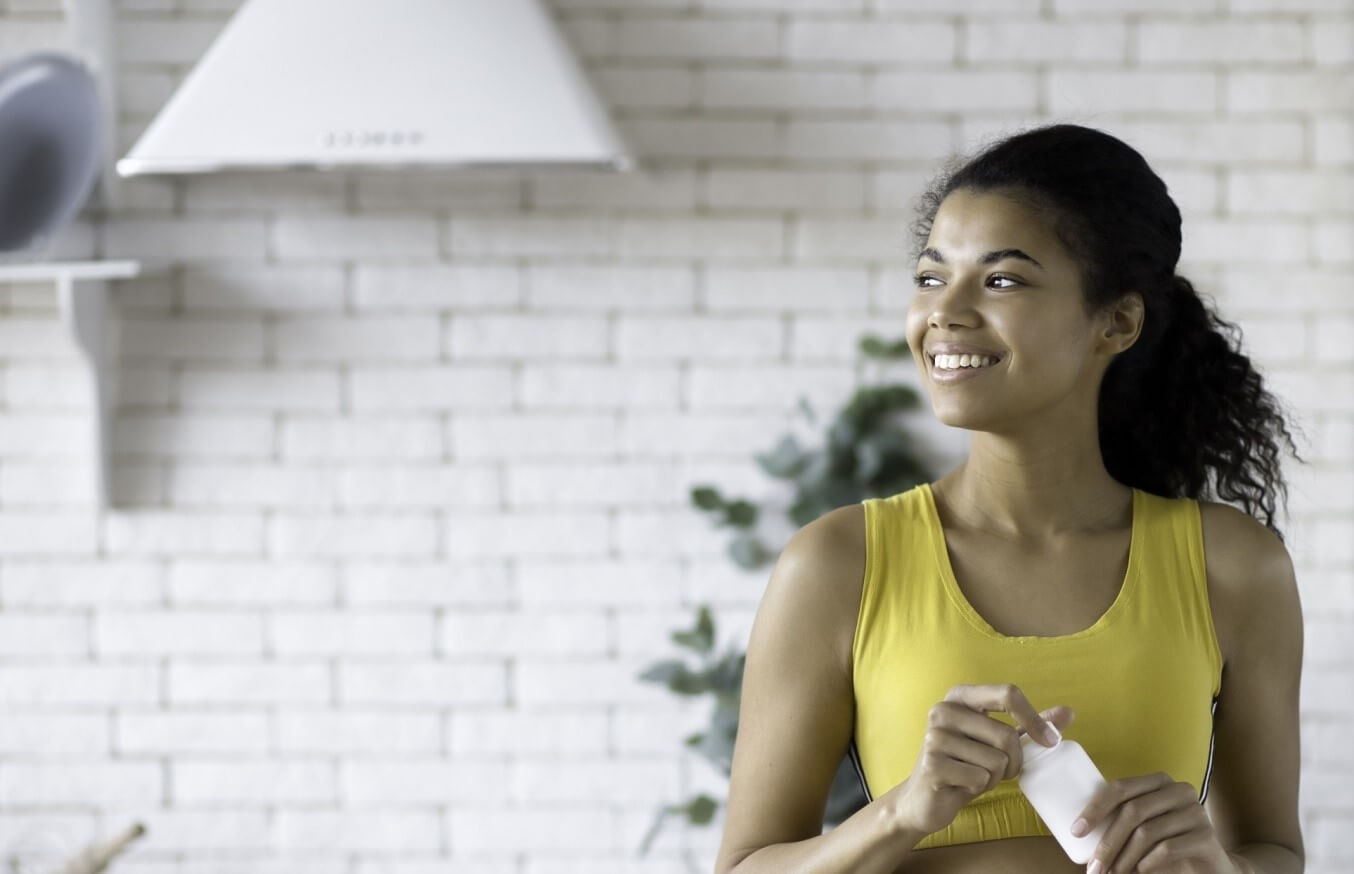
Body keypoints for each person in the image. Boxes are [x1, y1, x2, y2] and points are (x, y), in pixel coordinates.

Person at [713, 123, 1306, 874]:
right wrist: (902, 811)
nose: (946, 312)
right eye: (931, 277)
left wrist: (1223, 868)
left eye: (1002, 280)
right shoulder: (837, 565)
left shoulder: (1233, 566)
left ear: (1116, 322)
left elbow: (1276, 852)